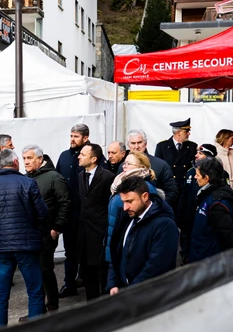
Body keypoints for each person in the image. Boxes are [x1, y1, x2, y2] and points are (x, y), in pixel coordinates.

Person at [0, 149, 48, 328]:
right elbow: (43, 213)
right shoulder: (28, 183)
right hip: (26, 245)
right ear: (15, 162)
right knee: (35, 291)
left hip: (1, 246)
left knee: (1, 293)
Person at [106, 176, 178, 295]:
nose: (125, 207)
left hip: (150, 295)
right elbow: (116, 253)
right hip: (127, 294)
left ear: (145, 196)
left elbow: (156, 266)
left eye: (129, 201)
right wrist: (113, 283)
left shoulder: (165, 225)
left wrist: (131, 292)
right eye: (123, 202)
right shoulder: (127, 217)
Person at [22, 145, 70, 312]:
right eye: (24, 158)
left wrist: (57, 228)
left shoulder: (54, 177)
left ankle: (52, 305)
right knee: (33, 271)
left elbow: (65, 204)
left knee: (44, 269)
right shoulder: (25, 177)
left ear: (40, 159)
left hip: (47, 232)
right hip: (30, 232)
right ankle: (38, 309)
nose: (26, 162)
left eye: (29, 158)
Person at [105, 151, 162, 266]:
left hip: (127, 244)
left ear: (141, 167)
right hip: (115, 238)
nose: (124, 166)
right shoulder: (121, 182)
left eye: (129, 164)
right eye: (124, 163)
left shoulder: (145, 187)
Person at [77, 143, 115, 301]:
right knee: (87, 273)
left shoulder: (107, 177)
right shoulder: (81, 176)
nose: (79, 156)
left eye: (83, 154)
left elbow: (109, 205)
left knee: (102, 272)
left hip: (100, 232)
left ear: (93, 159)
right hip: (84, 234)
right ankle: (91, 304)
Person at [188, 157, 233, 263]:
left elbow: (228, 237)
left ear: (206, 178)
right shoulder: (206, 194)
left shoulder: (217, 204)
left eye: (197, 175)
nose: (195, 177)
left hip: (210, 261)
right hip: (202, 255)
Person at [56, 123, 89, 298]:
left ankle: (86, 280)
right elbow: (57, 180)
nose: (72, 139)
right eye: (71, 136)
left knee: (87, 251)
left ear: (85, 138)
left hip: (87, 215)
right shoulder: (64, 156)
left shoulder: (92, 155)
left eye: (76, 136)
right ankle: (69, 284)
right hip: (69, 215)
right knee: (70, 252)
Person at [179, 144, 219, 263]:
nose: (196, 155)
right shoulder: (190, 172)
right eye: (197, 152)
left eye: (200, 153)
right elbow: (184, 196)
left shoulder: (219, 173)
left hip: (205, 216)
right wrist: (180, 215)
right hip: (189, 215)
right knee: (186, 238)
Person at [126, 129, 178, 211]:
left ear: (145, 144)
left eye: (139, 142)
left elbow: (172, 192)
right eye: (133, 143)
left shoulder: (161, 165)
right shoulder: (123, 166)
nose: (136, 146)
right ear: (128, 145)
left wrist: (157, 208)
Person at [154, 118, 197, 213]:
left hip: (185, 190)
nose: (189, 133)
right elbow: (158, 169)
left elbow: (194, 168)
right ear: (178, 133)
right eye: (186, 131)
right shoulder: (162, 147)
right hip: (169, 190)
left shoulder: (192, 147)